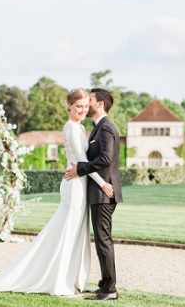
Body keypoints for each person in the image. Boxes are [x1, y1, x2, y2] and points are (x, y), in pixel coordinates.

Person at [0, 88, 111, 296]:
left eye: (84, 106)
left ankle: (70, 279)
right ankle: (58, 281)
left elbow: (81, 161)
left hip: (80, 184)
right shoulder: (72, 128)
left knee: (75, 233)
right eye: (77, 106)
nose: (81, 110)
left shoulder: (80, 128)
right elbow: (82, 161)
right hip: (74, 187)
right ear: (69, 106)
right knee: (67, 232)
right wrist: (102, 184)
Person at [65, 88, 122, 301]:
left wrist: (80, 169)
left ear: (99, 103)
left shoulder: (106, 128)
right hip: (98, 191)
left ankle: (110, 289)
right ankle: (105, 284)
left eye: (90, 100)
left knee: (103, 240)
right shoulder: (97, 128)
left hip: (103, 191)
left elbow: (106, 159)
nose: (86, 104)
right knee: (101, 239)